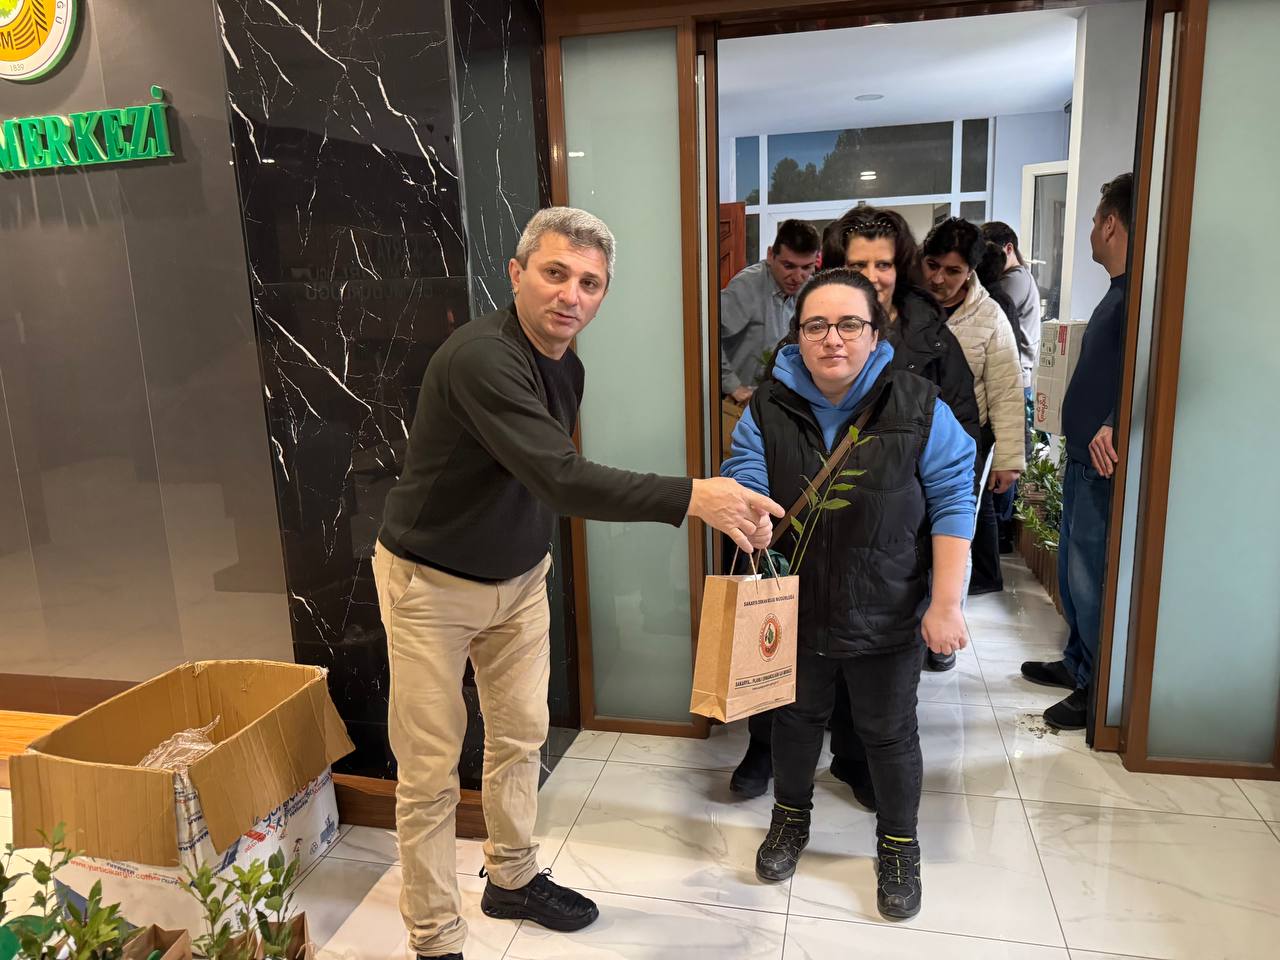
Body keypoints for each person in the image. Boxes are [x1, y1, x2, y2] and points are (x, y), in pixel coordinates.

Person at [374, 207, 783, 960]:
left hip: (520, 578)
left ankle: (511, 876)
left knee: (521, 735)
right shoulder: (481, 358)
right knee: (430, 770)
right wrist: (697, 496)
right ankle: (434, 939)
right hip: (431, 584)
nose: (571, 295)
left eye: (590, 283)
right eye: (555, 273)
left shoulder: (567, 363)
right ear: (517, 274)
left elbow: (537, 477)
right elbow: (560, 478)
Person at [723, 268, 975, 920]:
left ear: (875, 333)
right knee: (794, 721)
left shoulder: (918, 405)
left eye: (849, 324)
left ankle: (899, 845)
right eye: (816, 325)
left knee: (888, 734)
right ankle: (789, 820)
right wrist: (751, 513)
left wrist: (946, 603)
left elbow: (953, 499)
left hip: (886, 606)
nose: (832, 338)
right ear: (798, 335)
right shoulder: (768, 406)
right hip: (795, 608)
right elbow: (745, 476)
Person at [1021, 173, 1132, 731]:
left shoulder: (1138, 296)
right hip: (1083, 461)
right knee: (1071, 568)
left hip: (1101, 464)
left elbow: (1146, 376)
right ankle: (1076, 662)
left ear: (1110, 223)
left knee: (1090, 578)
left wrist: (1114, 421)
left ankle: (1094, 687)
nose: (1090, 230)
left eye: (1093, 220)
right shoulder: (1117, 291)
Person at [921, 218, 1026, 595]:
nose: (938, 279)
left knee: (958, 526)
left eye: (953, 271)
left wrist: (1008, 459)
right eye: (932, 265)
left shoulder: (989, 315)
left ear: (970, 271)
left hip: (966, 440)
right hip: (909, 435)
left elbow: (1006, 390)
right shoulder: (905, 305)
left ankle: (953, 600)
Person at [720, 219, 820, 403]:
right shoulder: (747, 286)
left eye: (806, 267)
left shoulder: (811, 290)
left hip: (784, 399)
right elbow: (706, 337)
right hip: (740, 402)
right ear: (770, 255)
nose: (798, 277)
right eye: (788, 266)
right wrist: (733, 387)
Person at [980, 221, 1042, 392]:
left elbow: (988, 314)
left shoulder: (1016, 279)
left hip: (1014, 380)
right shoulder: (1011, 277)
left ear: (1008, 248)